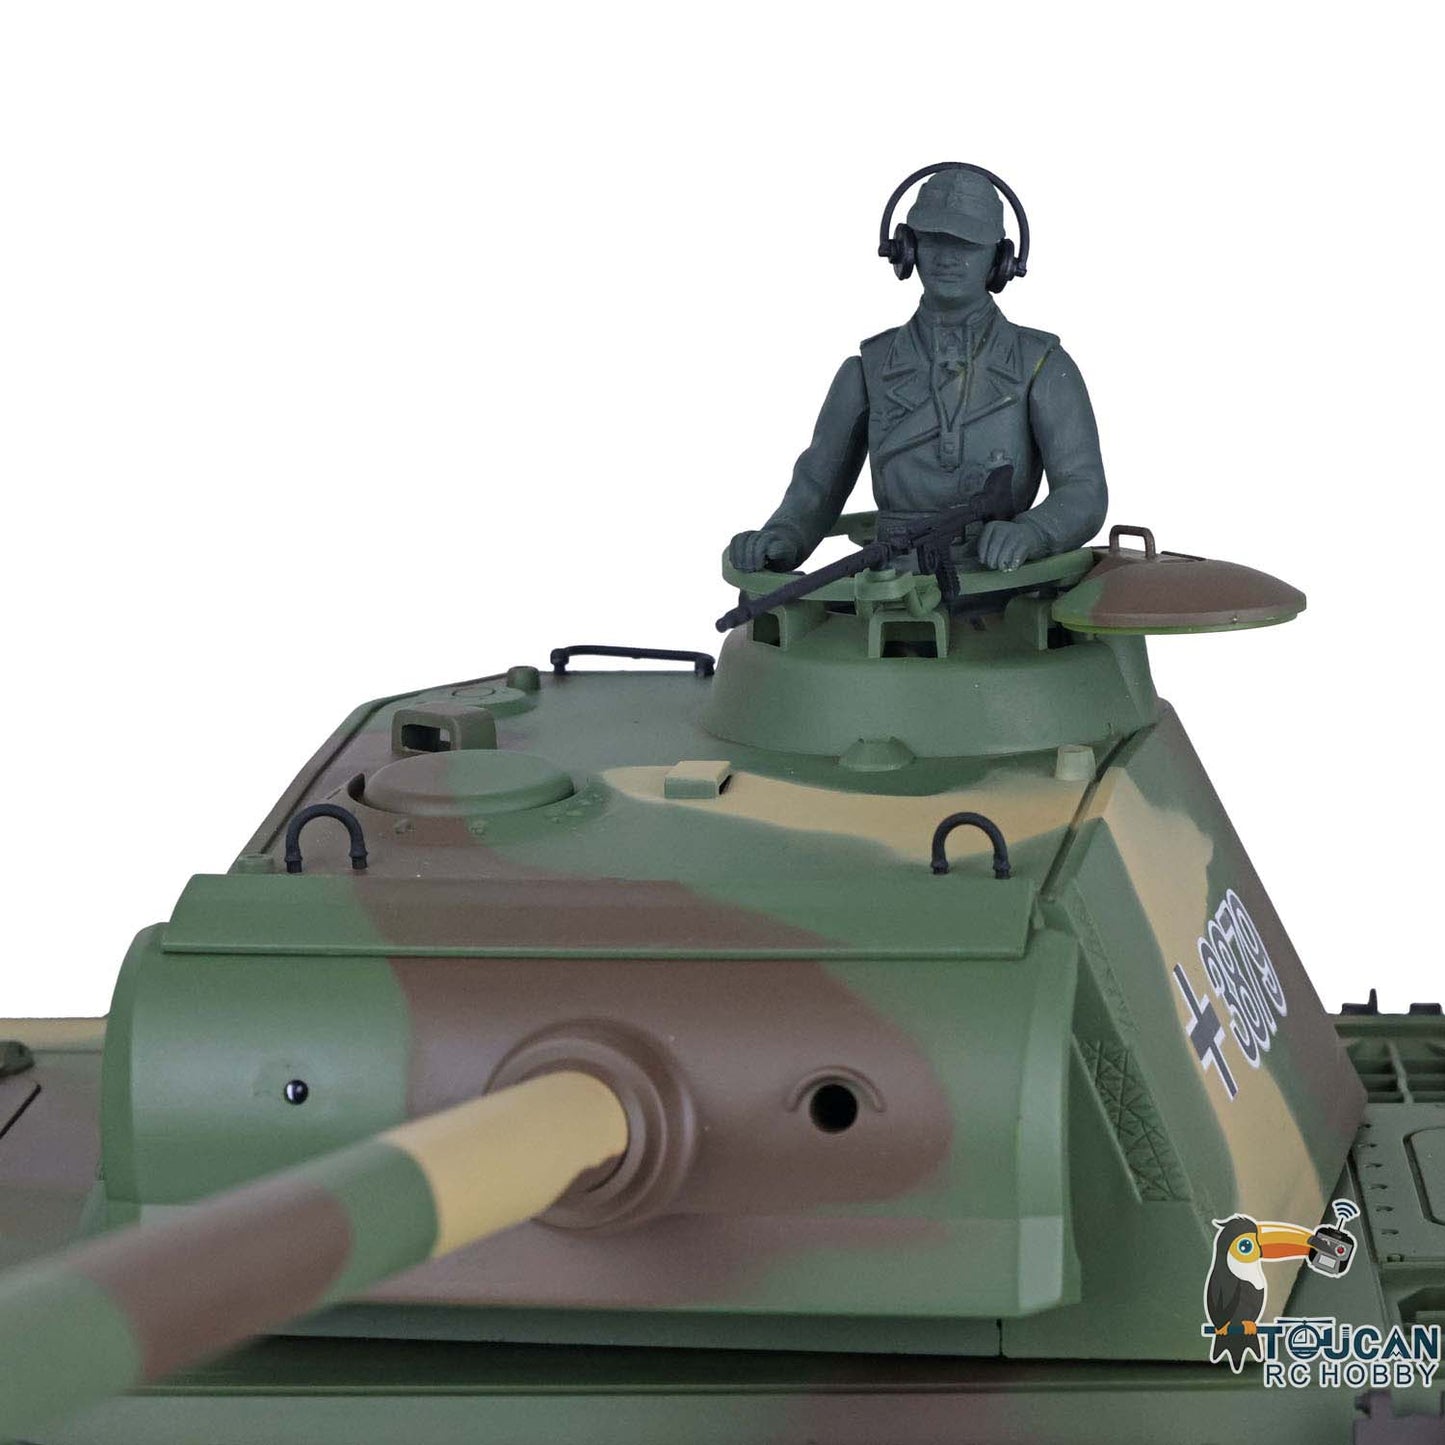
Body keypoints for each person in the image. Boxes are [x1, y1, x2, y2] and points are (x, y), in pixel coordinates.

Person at [730, 165, 1107, 575]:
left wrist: (1034, 531)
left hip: (998, 581)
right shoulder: (869, 370)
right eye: (933, 240)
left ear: (1000, 259)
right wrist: (783, 535)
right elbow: (817, 485)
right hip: (891, 579)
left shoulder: (1041, 365)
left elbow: (1084, 489)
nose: (947, 258)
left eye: (967, 245)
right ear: (907, 249)